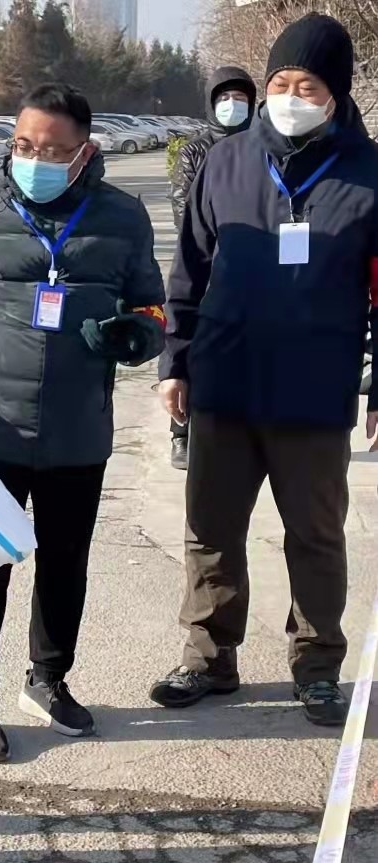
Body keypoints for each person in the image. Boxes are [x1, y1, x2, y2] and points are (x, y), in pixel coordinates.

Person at [0, 83, 166, 763]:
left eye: (52, 150)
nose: (35, 160)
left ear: (84, 152)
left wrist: (138, 335)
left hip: (79, 426)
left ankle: (48, 679)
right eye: (24, 145)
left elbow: (151, 306)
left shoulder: (122, 217)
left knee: (65, 563)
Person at [150, 14, 378, 727]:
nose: (290, 97)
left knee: (315, 536)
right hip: (225, 381)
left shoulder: (368, 173)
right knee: (210, 530)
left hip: (315, 390)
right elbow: (188, 270)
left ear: (335, 93)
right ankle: (208, 657)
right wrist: (175, 361)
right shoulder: (226, 162)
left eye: (307, 85)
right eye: (280, 82)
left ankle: (317, 667)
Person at [166, 66, 257, 471]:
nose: (232, 105)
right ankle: (180, 432)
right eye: (224, 98)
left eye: (240, 98)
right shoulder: (195, 150)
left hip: (250, 267)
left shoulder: (263, 148)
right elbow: (184, 209)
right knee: (188, 345)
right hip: (205, 264)